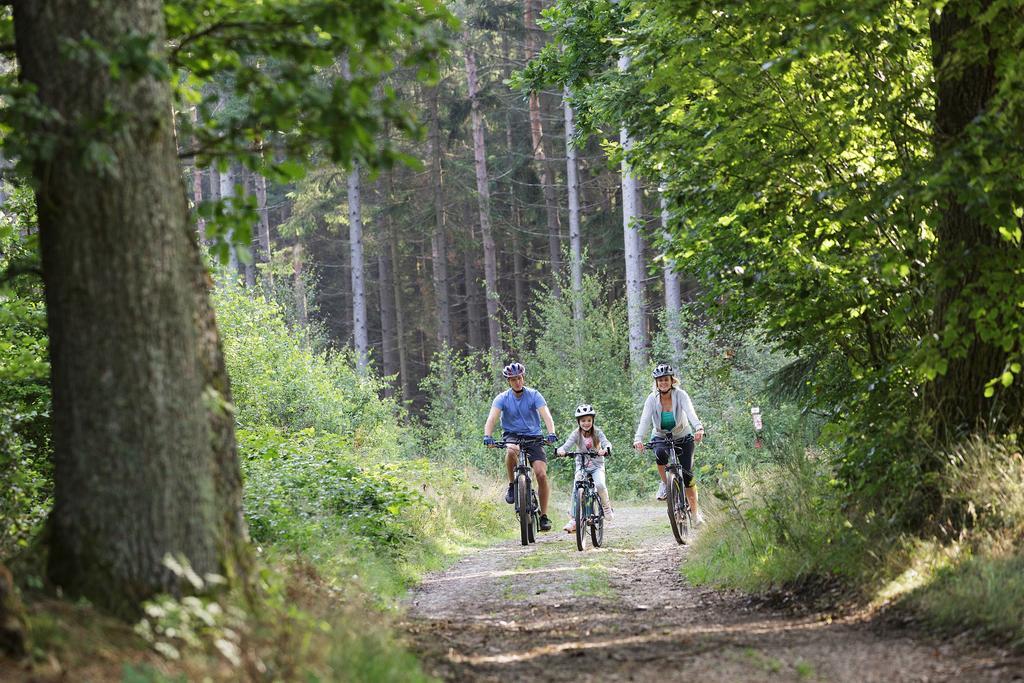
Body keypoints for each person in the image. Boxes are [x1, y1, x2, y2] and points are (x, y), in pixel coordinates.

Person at [483, 361, 558, 532]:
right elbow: (492, 419)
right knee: (511, 449)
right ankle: (512, 484)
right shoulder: (502, 398)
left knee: (541, 474)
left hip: (534, 436)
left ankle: (544, 515)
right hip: (512, 435)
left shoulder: (534, 395)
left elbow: (546, 415)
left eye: (519, 378)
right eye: (513, 379)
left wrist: (551, 432)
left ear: (523, 378)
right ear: (508, 381)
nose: (517, 382)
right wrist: (487, 436)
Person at [632, 363, 705, 524]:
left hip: (683, 434)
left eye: (666, 379)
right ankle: (666, 483)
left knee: (688, 476)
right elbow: (644, 420)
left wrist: (699, 428)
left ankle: (695, 514)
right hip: (660, 435)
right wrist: (638, 438)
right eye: (660, 380)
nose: (663, 383)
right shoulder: (651, 399)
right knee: (659, 453)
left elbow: (690, 412)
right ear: (656, 383)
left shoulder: (681, 395)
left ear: (672, 380)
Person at [556, 404, 614, 533]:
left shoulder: (597, 432)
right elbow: (566, 445)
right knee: (577, 486)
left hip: (596, 466)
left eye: (588, 420)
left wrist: (605, 450)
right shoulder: (576, 434)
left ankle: (606, 507)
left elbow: (607, 443)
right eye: (583, 421)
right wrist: (561, 450)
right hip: (581, 465)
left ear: (592, 420)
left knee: (599, 484)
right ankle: (574, 519)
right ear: (578, 422)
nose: (586, 423)